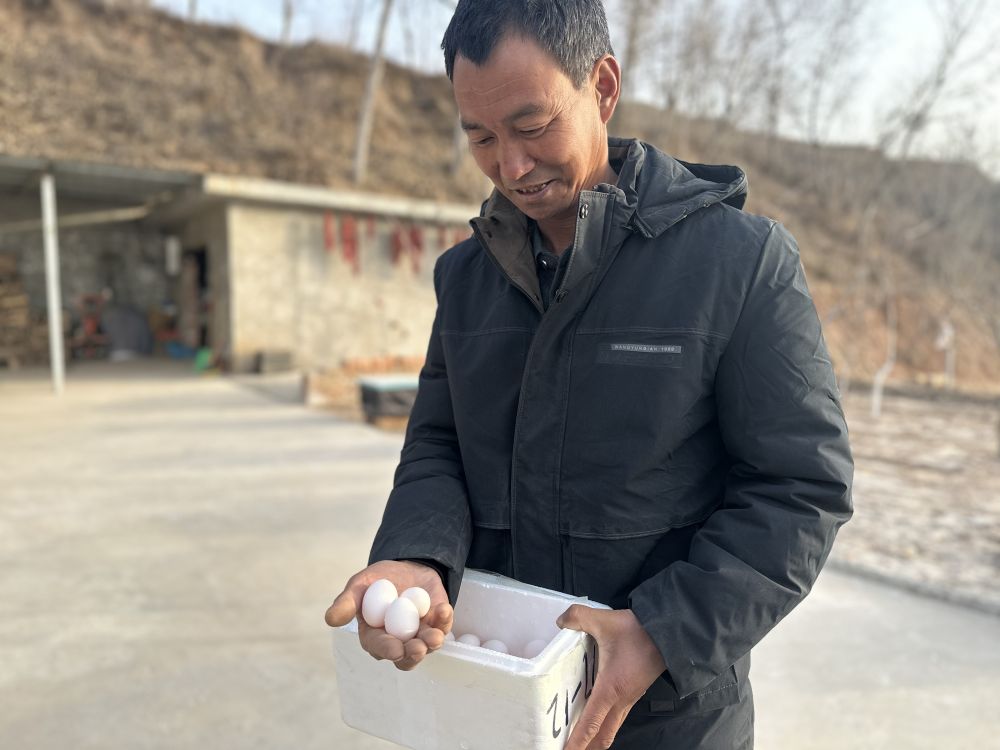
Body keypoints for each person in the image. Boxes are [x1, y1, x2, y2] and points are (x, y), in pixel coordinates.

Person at [325, 0, 854, 747]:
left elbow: (800, 486)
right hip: (497, 701)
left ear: (602, 87)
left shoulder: (737, 263)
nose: (511, 166)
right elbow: (439, 443)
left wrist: (664, 631)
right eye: (481, 136)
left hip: (671, 718)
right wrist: (415, 555)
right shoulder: (466, 277)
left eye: (533, 125)